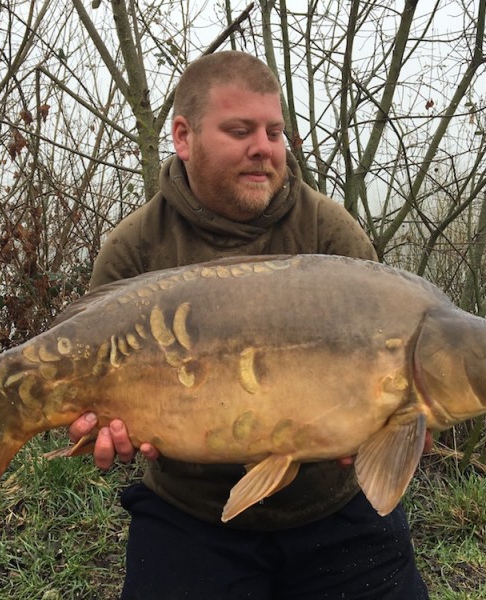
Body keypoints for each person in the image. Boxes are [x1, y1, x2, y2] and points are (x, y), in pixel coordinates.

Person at [69, 51, 429, 599]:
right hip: (191, 511)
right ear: (184, 137)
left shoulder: (331, 235)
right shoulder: (136, 248)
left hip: (333, 506)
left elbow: (397, 373)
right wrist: (98, 426)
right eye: (241, 130)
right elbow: (93, 396)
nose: (264, 147)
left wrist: (399, 425)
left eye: (275, 131)